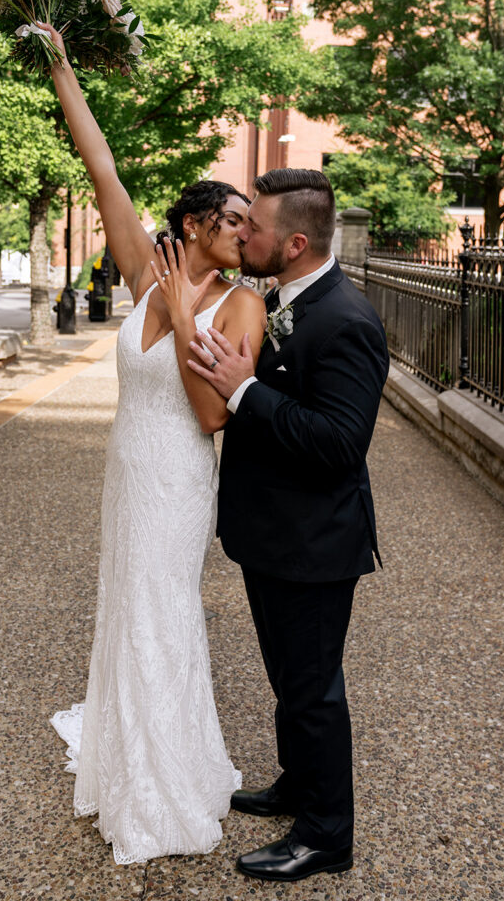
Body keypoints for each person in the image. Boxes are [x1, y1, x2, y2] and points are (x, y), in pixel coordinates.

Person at [42, 23, 267, 864]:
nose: (245, 234)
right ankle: (124, 759)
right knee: (123, 603)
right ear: (195, 224)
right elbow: (100, 167)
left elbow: (212, 416)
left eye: (249, 223)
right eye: (234, 221)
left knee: (161, 608)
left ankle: (164, 778)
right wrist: (61, 65)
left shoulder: (241, 305)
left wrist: (179, 317)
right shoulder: (145, 273)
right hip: (127, 471)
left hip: (178, 477)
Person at [188, 168, 389, 882]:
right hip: (271, 535)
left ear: (295, 243)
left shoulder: (347, 320)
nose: (242, 233)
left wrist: (243, 391)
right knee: (288, 680)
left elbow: (339, 443)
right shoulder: (280, 299)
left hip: (315, 543)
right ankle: (299, 785)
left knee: (312, 691)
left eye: (255, 226)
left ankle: (326, 836)